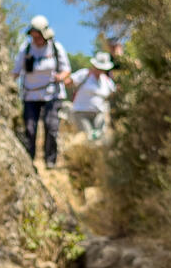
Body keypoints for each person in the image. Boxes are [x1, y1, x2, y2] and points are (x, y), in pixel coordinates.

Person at [13, 15, 71, 168]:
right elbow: (16, 71)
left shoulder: (56, 48)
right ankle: (28, 160)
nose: (36, 39)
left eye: (38, 36)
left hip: (51, 94)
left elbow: (66, 70)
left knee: (51, 126)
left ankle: (50, 161)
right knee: (30, 128)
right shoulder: (25, 48)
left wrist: (60, 77)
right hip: (30, 95)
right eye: (33, 36)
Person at [70, 51, 115, 141]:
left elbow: (113, 93)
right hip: (81, 113)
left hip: (99, 114)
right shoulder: (84, 74)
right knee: (88, 137)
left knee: (99, 138)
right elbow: (69, 81)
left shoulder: (106, 81)